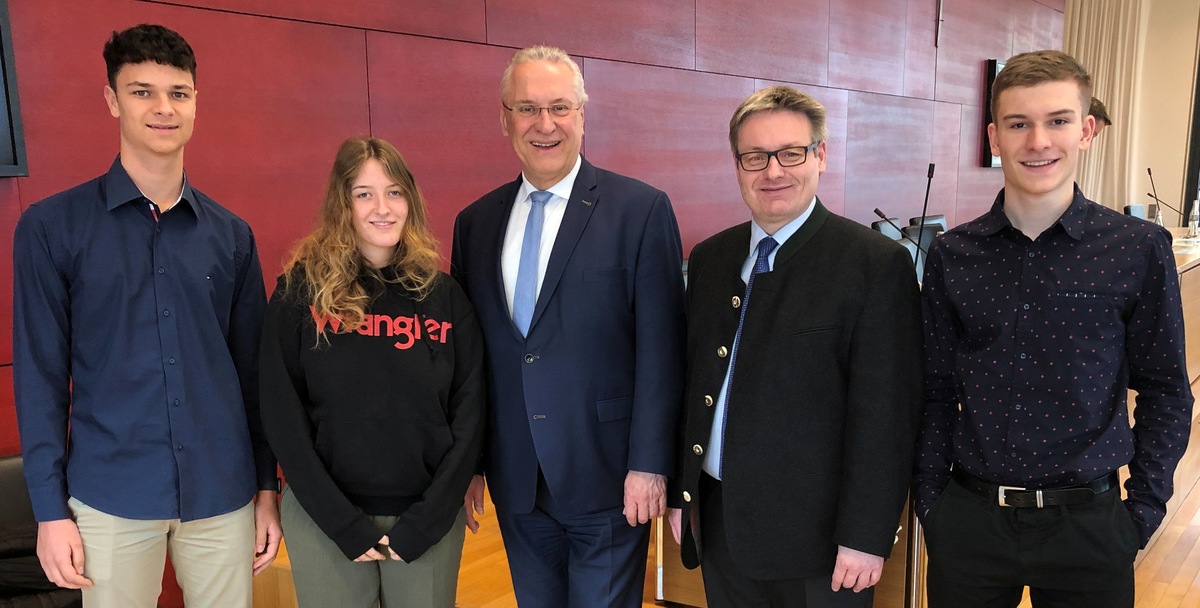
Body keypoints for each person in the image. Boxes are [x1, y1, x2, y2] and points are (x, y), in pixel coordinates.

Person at [11, 23, 280, 607]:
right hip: (110, 492)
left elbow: (254, 377)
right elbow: (40, 381)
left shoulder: (232, 236)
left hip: (223, 489)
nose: (163, 108)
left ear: (195, 102)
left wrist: (266, 489)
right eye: (142, 92)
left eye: (178, 93)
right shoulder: (51, 228)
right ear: (112, 100)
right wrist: (49, 512)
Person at [916, 50, 1193, 608]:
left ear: (1087, 129)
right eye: (1019, 124)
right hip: (969, 519)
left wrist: (1140, 513)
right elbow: (934, 390)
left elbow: (1166, 390)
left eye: (1058, 121)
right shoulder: (953, 254)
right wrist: (931, 504)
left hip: (1090, 525)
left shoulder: (1137, 249)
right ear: (995, 137)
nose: (1038, 141)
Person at [667, 85, 923, 608]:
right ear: (737, 164)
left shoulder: (874, 266)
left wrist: (867, 535)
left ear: (821, 156)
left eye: (791, 153)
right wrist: (683, 494)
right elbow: (694, 384)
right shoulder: (712, 259)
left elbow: (886, 418)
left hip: (823, 545)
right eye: (755, 157)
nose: (773, 171)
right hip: (721, 523)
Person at [450, 45, 686, 608]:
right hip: (517, 480)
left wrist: (650, 464)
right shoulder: (475, 223)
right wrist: (473, 463)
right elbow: (469, 358)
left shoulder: (641, 210)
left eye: (560, 106)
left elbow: (662, 350)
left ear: (582, 113)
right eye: (527, 108)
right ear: (504, 118)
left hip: (610, 479)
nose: (544, 124)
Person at [259, 136, 485, 607]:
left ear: (411, 200)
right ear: (342, 203)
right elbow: (282, 415)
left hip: (426, 522)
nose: (382, 207)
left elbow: (470, 416)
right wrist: (339, 520)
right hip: (325, 519)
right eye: (364, 193)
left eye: (395, 191)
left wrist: (429, 518)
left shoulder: (445, 297)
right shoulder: (300, 293)